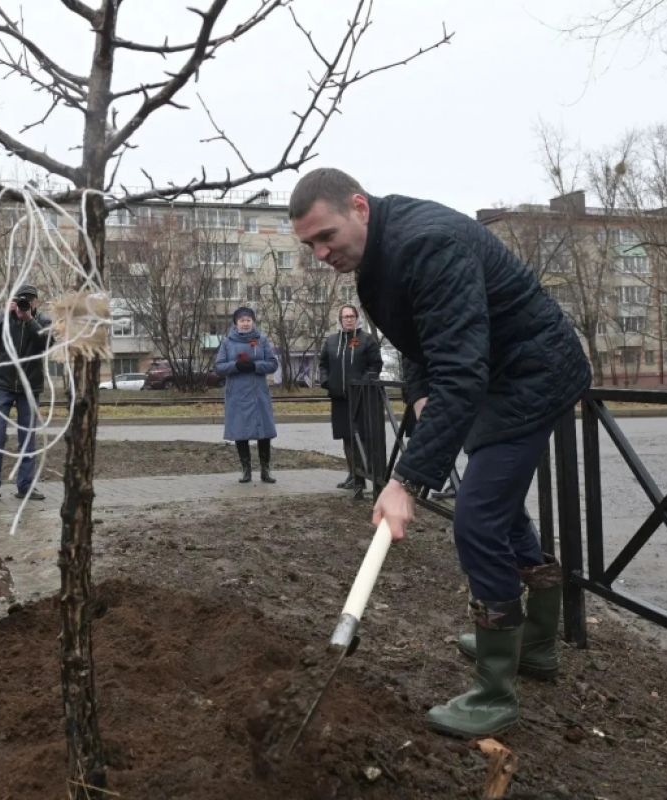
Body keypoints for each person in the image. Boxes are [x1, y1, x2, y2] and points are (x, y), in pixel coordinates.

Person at [289, 168, 591, 738]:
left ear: (359, 206)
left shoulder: (427, 243)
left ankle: (497, 689)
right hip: (495, 375)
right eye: (309, 245)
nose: (320, 253)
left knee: (476, 519)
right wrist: (422, 392)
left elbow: (462, 366)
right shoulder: (374, 263)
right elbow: (422, 340)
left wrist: (403, 481)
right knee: (493, 505)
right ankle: (534, 644)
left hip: (535, 372)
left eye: (326, 237)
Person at [0, 284, 53, 503]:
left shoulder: (43, 321)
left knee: (27, 440)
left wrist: (29, 319)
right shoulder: (5, 319)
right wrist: (5, 314)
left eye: (29, 300)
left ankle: (26, 487)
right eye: (21, 300)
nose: (24, 304)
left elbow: (45, 343)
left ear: (36, 302)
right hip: (2, 385)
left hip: (29, 388)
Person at [319, 304, 383, 498]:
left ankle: (361, 476)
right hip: (340, 398)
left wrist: (363, 382)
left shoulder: (366, 340)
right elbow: (323, 364)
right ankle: (353, 474)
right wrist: (327, 381)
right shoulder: (331, 341)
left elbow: (375, 365)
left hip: (361, 398)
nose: (348, 319)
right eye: (345, 316)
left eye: (351, 316)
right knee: (346, 436)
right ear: (340, 319)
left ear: (357, 318)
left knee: (360, 437)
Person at [214, 307, 280, 484]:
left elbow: (273, 364)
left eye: (248, 320)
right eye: (242, 320)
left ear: (253, 322)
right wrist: (236, 366)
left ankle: (265, 471)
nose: (245, 323)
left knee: (264, 432)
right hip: (237, 394)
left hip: (258, 393)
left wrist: (255, 366)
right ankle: (246, 471)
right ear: (236, 323)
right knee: (240, 432)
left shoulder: (262, 340)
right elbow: (219, 367)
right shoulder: (227, 342)